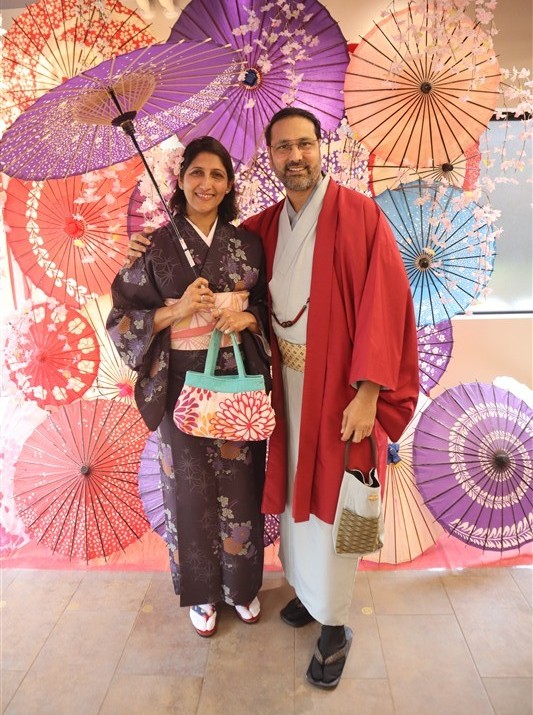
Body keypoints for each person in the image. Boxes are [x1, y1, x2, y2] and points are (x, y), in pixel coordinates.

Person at [127, 109, 419, 689]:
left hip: (338, 387)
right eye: (283, 147)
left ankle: (334, 625)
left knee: (331, 498)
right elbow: (219, 259)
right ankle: (308, 594)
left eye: (304, 144)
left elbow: (386, 307)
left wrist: (368, 394)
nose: (295, 156)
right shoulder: (263, 228)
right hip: (278, 384)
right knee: (290, 497)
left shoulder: (360, 215)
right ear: (270, 156)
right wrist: (148, 246)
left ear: (321, 147)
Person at [107, 136, 271, 638]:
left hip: (237, 377)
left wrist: (246, 317)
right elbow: (122, 320)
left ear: (229, 185)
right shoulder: (152, 245)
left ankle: (241, 585)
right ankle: (202, 592)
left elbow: (266, 306)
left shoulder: (248, 244)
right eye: (197, 173)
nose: (207, 183)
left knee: (242, 483)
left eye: (218, 175)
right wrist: (178, 310)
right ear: (179, 180)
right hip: (178, 383)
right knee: (189, 490)